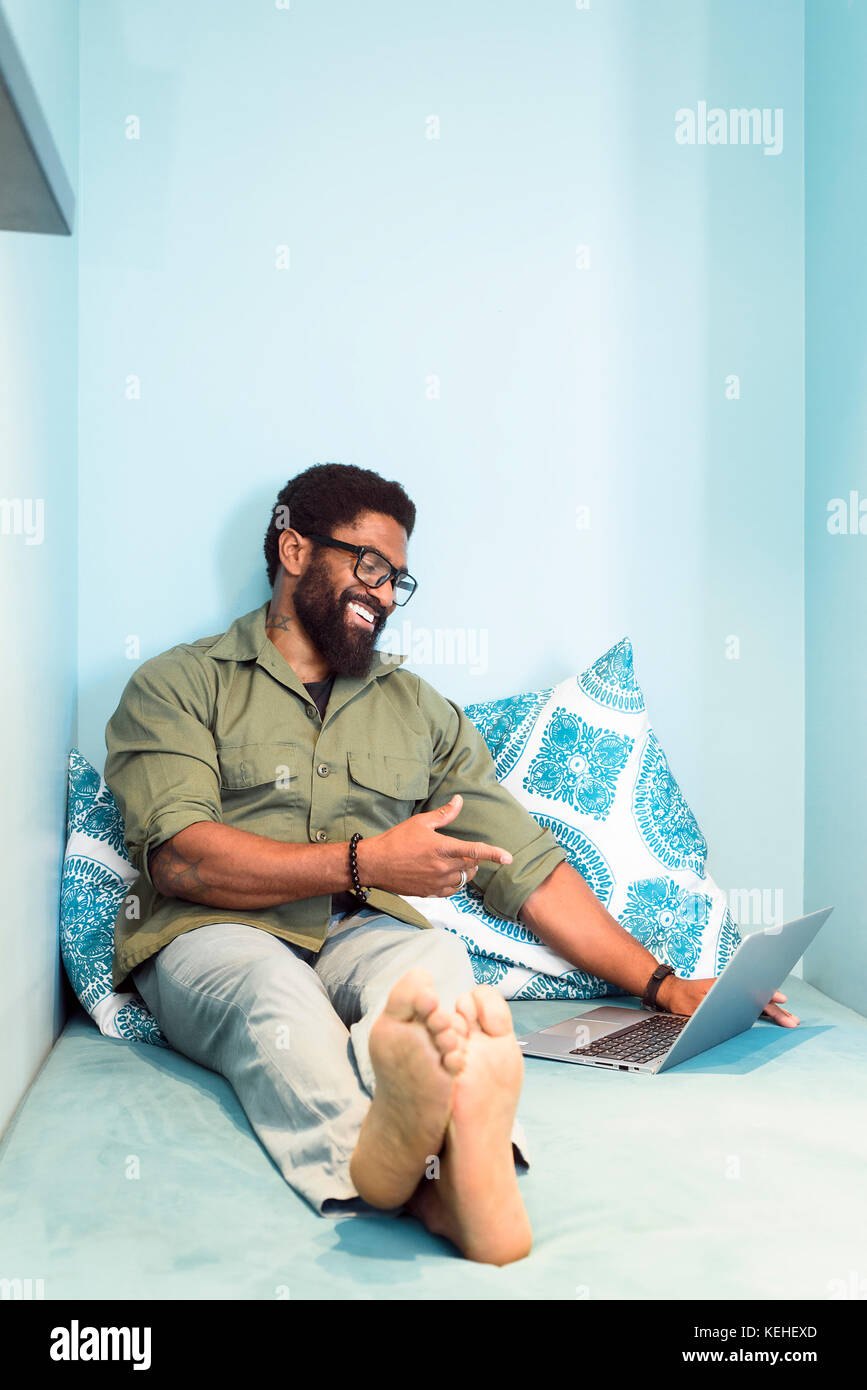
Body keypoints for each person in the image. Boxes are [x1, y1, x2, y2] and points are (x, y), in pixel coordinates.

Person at [104, 462, 797, 1267]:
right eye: (369, 566)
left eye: (399, 578)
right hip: (217, 931)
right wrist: (366, 862)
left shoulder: (416, 709)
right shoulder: (177, 684)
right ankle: (420, 1187)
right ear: (293, 550)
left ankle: (466, 1153)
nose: (387, 594)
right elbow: (184, 862)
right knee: (273, 1000)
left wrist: (661, 983)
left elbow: (524, 864)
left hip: (365, 933)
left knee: (436, 981)